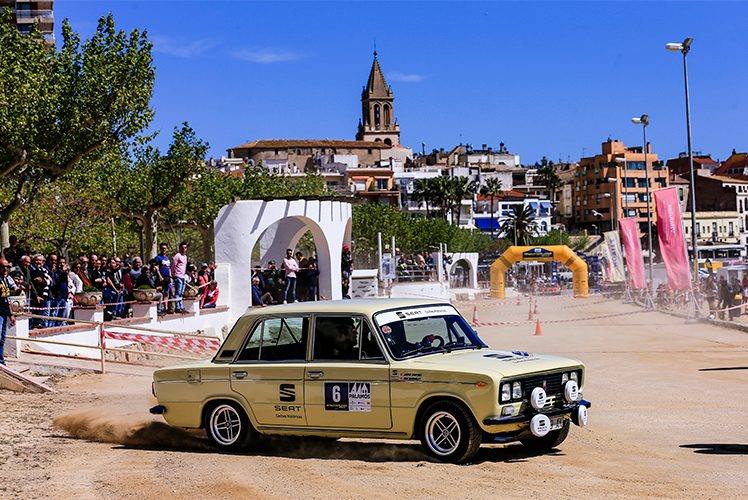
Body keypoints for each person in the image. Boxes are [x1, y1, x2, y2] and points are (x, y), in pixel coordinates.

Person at [0, 259, 18, 364]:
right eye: (3, 266)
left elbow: (7, 299)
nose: (6, 268)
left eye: (7, 266)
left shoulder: (5, 279)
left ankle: (1, 360)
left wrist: (11, 314)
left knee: (2, 338)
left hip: (4, 312)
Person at [29, 254, 51, 328]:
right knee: (35, 313)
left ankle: (41, 325)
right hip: (35, 295)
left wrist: (43, 281)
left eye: (40, 260)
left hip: (44, 294)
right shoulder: (32, 269)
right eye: (37, 260)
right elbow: (33, 281)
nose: (38, 262)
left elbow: (50, 281)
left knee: (43, 313)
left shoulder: (44, 270)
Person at [154, 243, 173, 313]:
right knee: (160, 292)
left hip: (168, 278)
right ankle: (159, 308)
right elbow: (156, 268)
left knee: (166, 293)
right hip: (161, 278)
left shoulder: (167, 258)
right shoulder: (158, 258)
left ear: (167, 249)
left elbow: (169, 268)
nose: (163, 250)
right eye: (162, 248)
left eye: (165, 248)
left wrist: (170, 277)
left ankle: (166, 308)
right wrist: (160, 276)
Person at [171, 242, 188, 313]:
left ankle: (181, 306)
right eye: (182, 248)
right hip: (177, 276)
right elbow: (173, 266)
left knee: (181, 292)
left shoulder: (185, 257)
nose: (184, 249)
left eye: (185, 248)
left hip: (183, 276)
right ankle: (177, 307)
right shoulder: (177, 256)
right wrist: (173, 274)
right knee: (178, 292)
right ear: (180, 248)